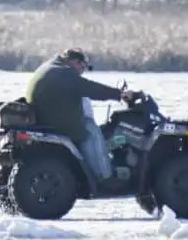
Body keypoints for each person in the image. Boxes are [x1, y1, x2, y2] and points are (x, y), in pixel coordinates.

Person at [25, 48, 134, 191]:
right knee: (91, 130)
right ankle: (106, 176)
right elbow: (90, 88)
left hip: (44, 115)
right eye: (82, 67)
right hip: (54, 120)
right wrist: (119, 94)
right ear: (75, 62)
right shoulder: (64, 72)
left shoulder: (49, 67)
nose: (82, 71)